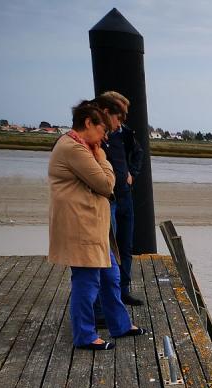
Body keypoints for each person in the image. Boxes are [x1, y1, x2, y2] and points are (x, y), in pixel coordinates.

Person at [48, 100, 145, 350]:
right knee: (87, 282)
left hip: (96, 228)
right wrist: (103, 158)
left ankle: (120, 325)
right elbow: (105, 184)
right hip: (82, 227)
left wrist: (98, 155)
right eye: (103, 131)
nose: (104, 138)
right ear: (88, 123)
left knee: (111, 276)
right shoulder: (73, 148)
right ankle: (85, 335)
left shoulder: (82, 147)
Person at [95, 92, 143, 306]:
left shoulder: (125, 133)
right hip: (109, 199)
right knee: (108, 250)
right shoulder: (98, 136)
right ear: (107, 113)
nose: (122, 121)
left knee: (126, 246)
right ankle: (106, 300)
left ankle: (123, 290)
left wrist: (132, 173)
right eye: (120, 116)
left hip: (125, 196)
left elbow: (138, 153)